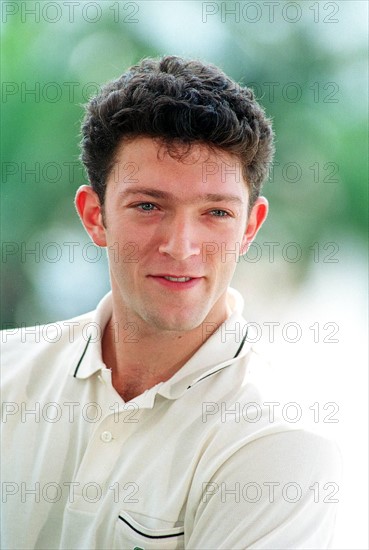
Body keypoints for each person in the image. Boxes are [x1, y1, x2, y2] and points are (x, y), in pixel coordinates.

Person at [1, 55, 340, 549]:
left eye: (216, 212)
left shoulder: (279, 442)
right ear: (95, 216)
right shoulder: (8, 372)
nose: (181, 246)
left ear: (250, 227)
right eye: (148, 206)